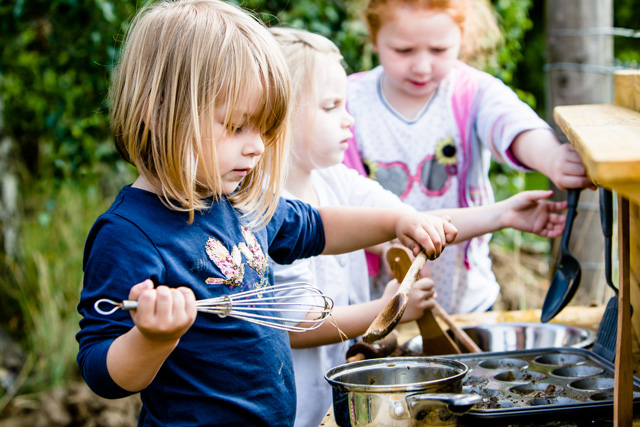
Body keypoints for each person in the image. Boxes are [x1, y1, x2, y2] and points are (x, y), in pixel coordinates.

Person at [74, 1, 460, 426]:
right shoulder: (129, 235)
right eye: (237, 126)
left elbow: (317, 227)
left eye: (265, 129)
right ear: (157, 110)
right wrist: (152, 338)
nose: (257, 146)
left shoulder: (241, 200)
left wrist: (395, 223)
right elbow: (101, 372)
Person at [269, 26, 568, 427]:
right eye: (330, 107)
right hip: (291, 406)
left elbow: (410, 223)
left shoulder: (334, 179)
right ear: (276, 115)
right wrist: (387, 310)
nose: (349, 120)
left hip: (332, 402)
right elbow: (297, 325)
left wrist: (503, 215)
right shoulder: (267, 208)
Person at [343, 0, 593, 314]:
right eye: (403, 51)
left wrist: (553, 158)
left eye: (438, 50)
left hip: (469, 299)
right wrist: (393, 245)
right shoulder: (350, 101)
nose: (422, 66)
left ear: (462, 35)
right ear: (374, 35)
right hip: (380, 305)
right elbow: (342, 199)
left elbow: (510, 124)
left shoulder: (472, 91)